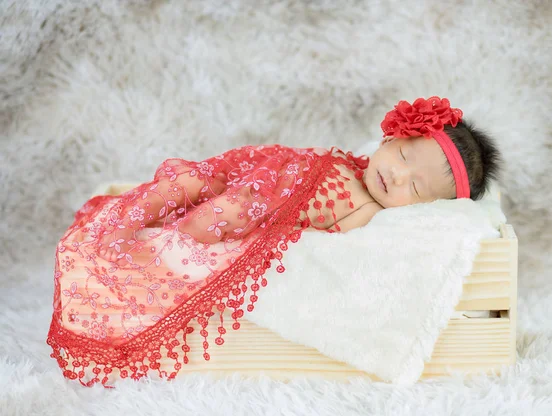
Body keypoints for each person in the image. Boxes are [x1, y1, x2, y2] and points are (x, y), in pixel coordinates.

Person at [47, 96, 502, 386]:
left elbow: (320, 240)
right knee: (185, 183)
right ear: (392, 136)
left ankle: (156, 249)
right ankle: (126, 222)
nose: (396, 174)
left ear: (419, 208)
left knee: (212, 220)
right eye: (403, 155)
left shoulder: (368, 211)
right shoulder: (350, 160)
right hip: (252, 176)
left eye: (415, 188)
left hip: (254, 212)